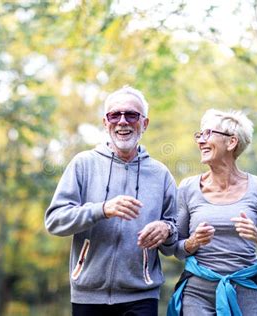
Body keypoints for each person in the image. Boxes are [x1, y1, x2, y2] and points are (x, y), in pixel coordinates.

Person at [45, 86, 177, 316]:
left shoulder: (161, 174)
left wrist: (166, 229)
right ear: (105, 123)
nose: (122, 121)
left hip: (142, 295)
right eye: (114, 115)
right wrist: (102, 209)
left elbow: (174, 240)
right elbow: (55, 221)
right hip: (88, 294)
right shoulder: (83, 164)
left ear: (144, 123)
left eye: (131, 115)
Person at [168, 109, 257, 316]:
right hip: (197, 292)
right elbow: (174, 249)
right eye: (199, 135)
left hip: (244, 291)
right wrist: (193, 242)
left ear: (231, 142)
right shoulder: (188, 187)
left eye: (208, 134)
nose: (200, 141)